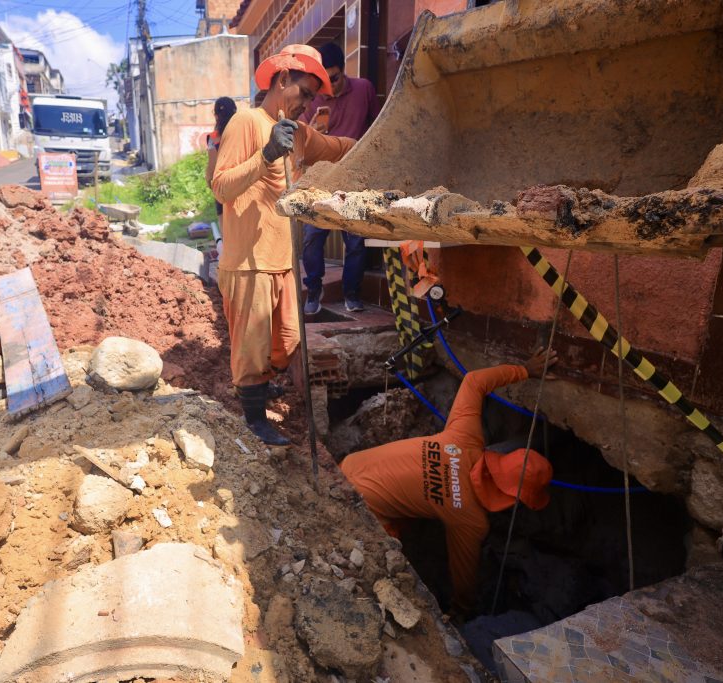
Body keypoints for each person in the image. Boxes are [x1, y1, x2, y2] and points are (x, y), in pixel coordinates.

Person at [340, 349, 558, 617]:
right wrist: (462, 610)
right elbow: (463, 571)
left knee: (408, 501)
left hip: (348, 466)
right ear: (512, 500)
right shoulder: (470, 519)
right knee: (392, 548)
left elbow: (474, 382)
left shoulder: (466, 436)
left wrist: (525, 369)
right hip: (360, 511)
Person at [211, 44, 355, 446]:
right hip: (249, 261)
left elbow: (339, 147)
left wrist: (375, 140)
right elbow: (221, 187)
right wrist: (268, 153)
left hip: (282, 261)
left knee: (287, 340)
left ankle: (260, 385)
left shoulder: (302, 134)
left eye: (312, 99)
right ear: (281, 80)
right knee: (252, 348)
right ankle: (253, 417)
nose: (307, 106)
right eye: (304, 94)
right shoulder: (245, 122)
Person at [299, 42, 381, 314]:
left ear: (343, 70)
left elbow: (376, 127)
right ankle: (313, 289)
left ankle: (352, 292)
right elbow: (303, 144)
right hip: (321, 180)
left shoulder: (364, 89)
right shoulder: (314, 100)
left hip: (354, 178)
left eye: (333, 78)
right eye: (323, 81)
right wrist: (312, 131)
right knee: (312, 239)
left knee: (355, 242)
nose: (329, 87)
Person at [205, 96, 238, 219]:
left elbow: (211, 169)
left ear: (216, 115)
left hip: (223, 188)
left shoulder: (213, 138)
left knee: (227, 233)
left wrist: (209, 182)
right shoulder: (243, 133)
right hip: (244, 185)